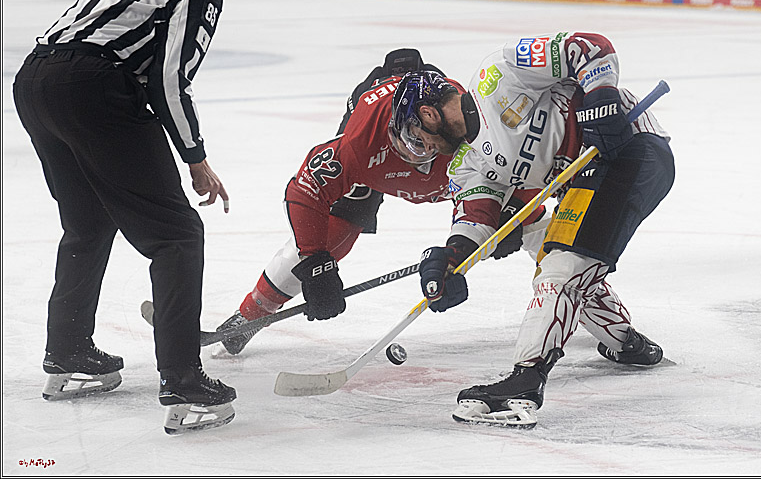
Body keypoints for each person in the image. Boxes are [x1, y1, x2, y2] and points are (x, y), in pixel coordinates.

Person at [13, 0, 258, 434]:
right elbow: (167, 79)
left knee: (88, 222)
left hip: (34, 80)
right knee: (177, 236)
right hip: (94, 89)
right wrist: (195, 157)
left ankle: (69, 351)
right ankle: (184, 382)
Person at [392, 32, 674, 427]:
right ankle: (624, 343)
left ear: (427, 114)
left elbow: (587, 47)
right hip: (587, 179)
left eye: (414, 137)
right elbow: (478, 217)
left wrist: (601, 99)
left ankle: (526, 380)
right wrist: (451, 260)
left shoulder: (500, 72)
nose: (421, 148)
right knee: (559, 258)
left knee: (564, 265)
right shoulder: (466, 163)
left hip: (632, 147)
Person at [212, 50, 543, 354]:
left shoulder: (467, 130)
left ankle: (589, 301)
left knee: (528, 221)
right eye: (410, 141)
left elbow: (524, 163)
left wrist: (514, 206)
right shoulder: (362, 143)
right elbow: (306, 188)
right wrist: (315, 263)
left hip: (451, 151)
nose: (420, 153)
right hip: (374, 156)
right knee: (333, 236)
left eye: (425, 141)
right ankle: (247, 316)